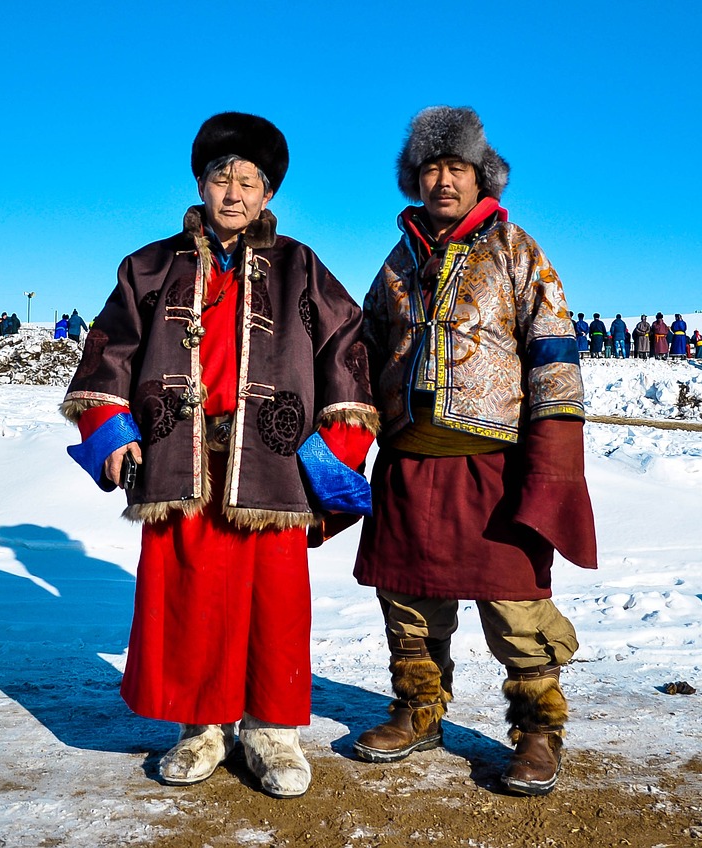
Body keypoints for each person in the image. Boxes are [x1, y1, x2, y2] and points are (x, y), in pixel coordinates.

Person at [61, 112, 375, 799]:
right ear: (201, 183)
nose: (232, 193)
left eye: (248, 182)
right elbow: (106, 358)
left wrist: (335, 452)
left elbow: (349, 356)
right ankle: (200, 726)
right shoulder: (148, 266)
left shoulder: (301, 267)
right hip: (181, 457)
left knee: (276, 604)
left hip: (273, 460)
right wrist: (114, 434)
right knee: (188, 598)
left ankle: (271, 730)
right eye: (220, 178)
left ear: (268, 195)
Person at [354, 106, 597, 797]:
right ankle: (419, 710)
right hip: (408, 459)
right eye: (430, 168)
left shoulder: (517, 251)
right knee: (407, 595)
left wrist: (554, 461)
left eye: (455, 167)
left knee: (516, 603)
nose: (442, 180)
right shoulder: (397, 263)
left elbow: (553, 357)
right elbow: (364, 353)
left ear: (479, 175)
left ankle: (539, 730)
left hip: (494, 462)